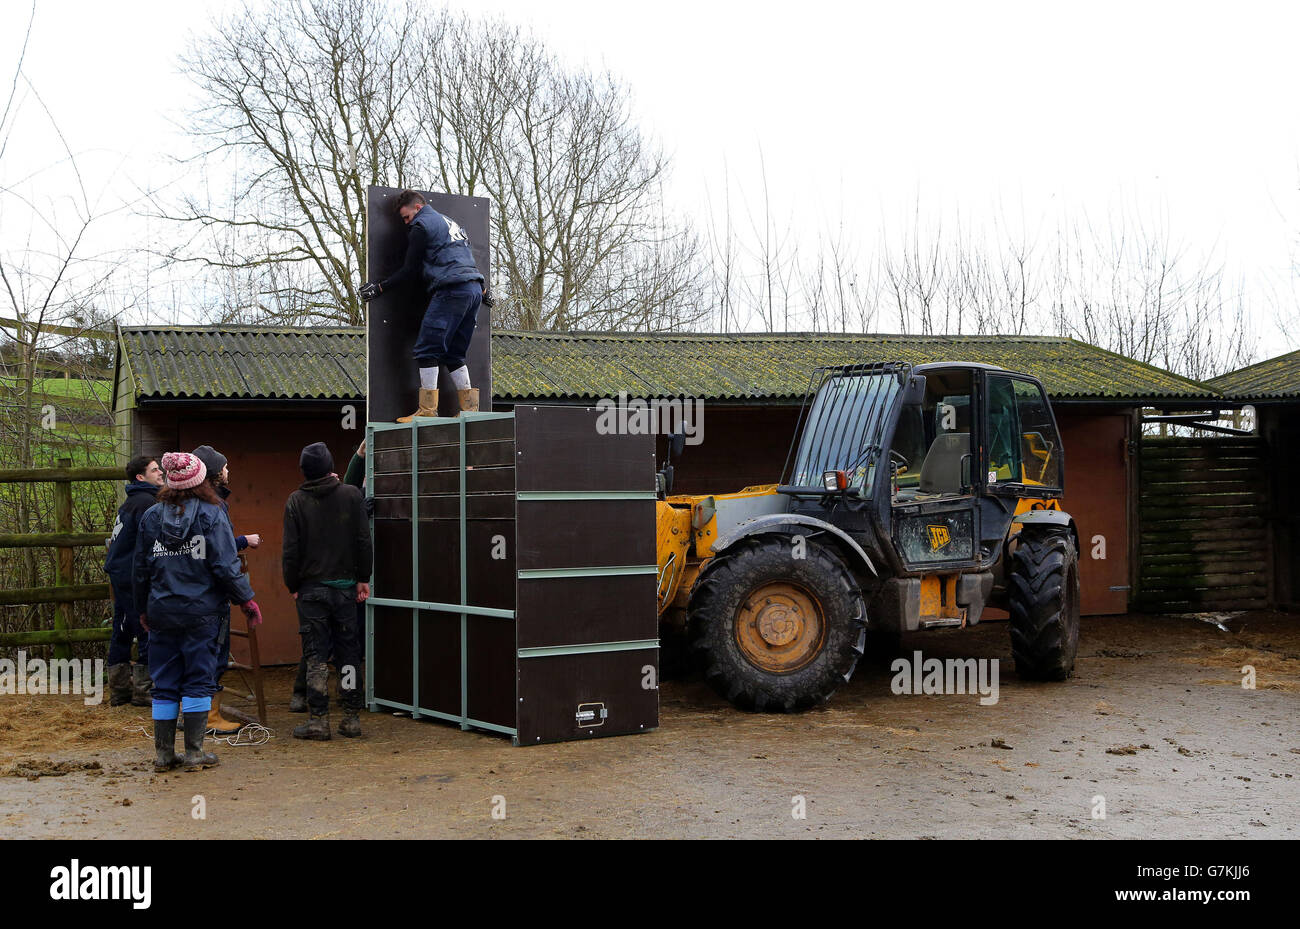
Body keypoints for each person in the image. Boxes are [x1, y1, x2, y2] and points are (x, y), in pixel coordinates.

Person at [133, 452, 261, 772]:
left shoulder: (150, 518)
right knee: (198, 680)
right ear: (201, 480)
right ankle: (194, 752)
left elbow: (139, 570)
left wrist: (143, 609)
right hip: (202, 613)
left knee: (163, 682)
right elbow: (225, 565)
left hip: (162, 610)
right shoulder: (212, 514)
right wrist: (246, 600)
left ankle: (164, 755)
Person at [358, 189, 486, 422]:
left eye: (406, 217)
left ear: (417, 207)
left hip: (452, 289)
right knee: (454, 353)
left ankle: (427, 410)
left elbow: (410, 270)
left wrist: (379, 288)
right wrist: (484, 291)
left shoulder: (421, 226)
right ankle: (470, 410)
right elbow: (464, 259)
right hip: (474, 289)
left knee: (426, 349)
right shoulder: (450, 223)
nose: (406, 224)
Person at [282, 442, 372, 739]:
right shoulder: (351, 495)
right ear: (330, 465)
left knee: (316, 655)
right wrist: (363, 578)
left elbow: (291, 551)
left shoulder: (296, 501)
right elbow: (363, 540)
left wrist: (293, 585)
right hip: (345, 590)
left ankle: (319, 720)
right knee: (349, 653)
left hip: (311, 591)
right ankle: (351, 717)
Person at [191, 444, 261, 736]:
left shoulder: (177, 506)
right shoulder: (213, 508)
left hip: (184, 595)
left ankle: (193, 714)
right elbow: (221, 557)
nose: (229, 470)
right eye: (225, 466)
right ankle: (208, 717)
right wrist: (245, 597)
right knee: (214, 653)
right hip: (210, 595)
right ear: (216, 473)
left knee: (193, 658)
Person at [102, 455, 164, 706]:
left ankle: (119, 688)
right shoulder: (147, 503)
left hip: (119, 572)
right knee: (146, 626)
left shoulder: (131, 502)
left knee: (123, 628)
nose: (160, 473)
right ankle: (143, 689)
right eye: (154, 470)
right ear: (141, 477)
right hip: (131, 575)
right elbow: (150, 544)